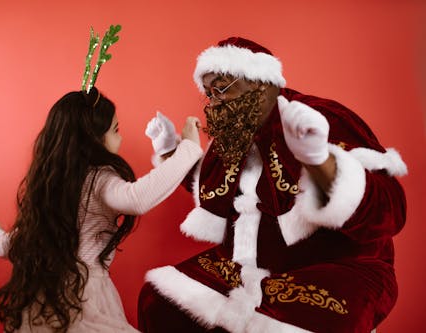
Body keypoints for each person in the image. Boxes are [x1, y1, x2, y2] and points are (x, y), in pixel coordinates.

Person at [137, 37, 407, 333]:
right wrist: (170, 152)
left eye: (221, 88)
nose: (213, 102)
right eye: (209, 93)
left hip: (333, 264)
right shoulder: (235, 133)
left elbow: (390, 209)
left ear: (259, 83)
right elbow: (217, 190)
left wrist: (320, 160)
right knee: (160, 302)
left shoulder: (320, 116)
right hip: (244, 264)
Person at [0, 88, 203, 333]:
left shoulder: (51, 187)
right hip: (83, 301)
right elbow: (138, 197)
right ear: (93, 138)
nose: (120, 139)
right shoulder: (99, 179)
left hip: (43, 304)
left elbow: (17, 244)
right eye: (115, 130)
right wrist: (188, 148)